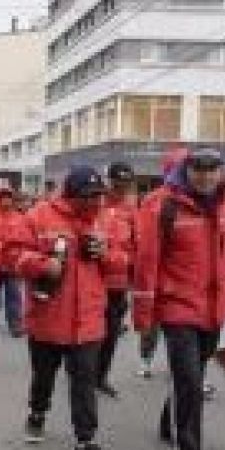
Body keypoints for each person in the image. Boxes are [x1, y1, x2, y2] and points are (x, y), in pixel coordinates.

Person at [133, 148, 225, 450]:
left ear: (221, 172)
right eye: (198, 171)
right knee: (188, 378)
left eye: (212, 171)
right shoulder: (165, 206)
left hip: (216, 310)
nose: (205, 177)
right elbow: (147, 262)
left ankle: (168, 421)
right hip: (178, 307)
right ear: (187, 171)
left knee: (192, 375)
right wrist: (144, 314)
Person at [6, 166, 125, 450]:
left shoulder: (106, 219)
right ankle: (37, 413)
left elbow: (123, 261)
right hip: (48, 317)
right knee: (44, 376)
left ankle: (86, 443)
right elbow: (12, 255)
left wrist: (106, 254)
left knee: (84, 379)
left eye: (99, 195)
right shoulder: (39, 216)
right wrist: (42, 264)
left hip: (88, 319)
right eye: (88, 196)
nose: (95, 202)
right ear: (70, 195)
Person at [96, 162, 137, 398]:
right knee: (88, 332)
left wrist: (128, 263)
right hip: (92, 281)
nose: (121, 190)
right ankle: (80, 370)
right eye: (117, 185)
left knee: (110, 334)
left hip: (118, 285)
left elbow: (138, 245)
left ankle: (101, 376)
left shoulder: (131, 210)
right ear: (108, 181)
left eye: (125, 185)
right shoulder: (94, 203)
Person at [0, 181, 24, 338]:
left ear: (12, 199)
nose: (6, 200)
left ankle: (15, 325)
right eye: (3, 197)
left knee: (14, 294)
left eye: (8, 197)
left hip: (13, 263)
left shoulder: (20, 218)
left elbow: (24, 239)